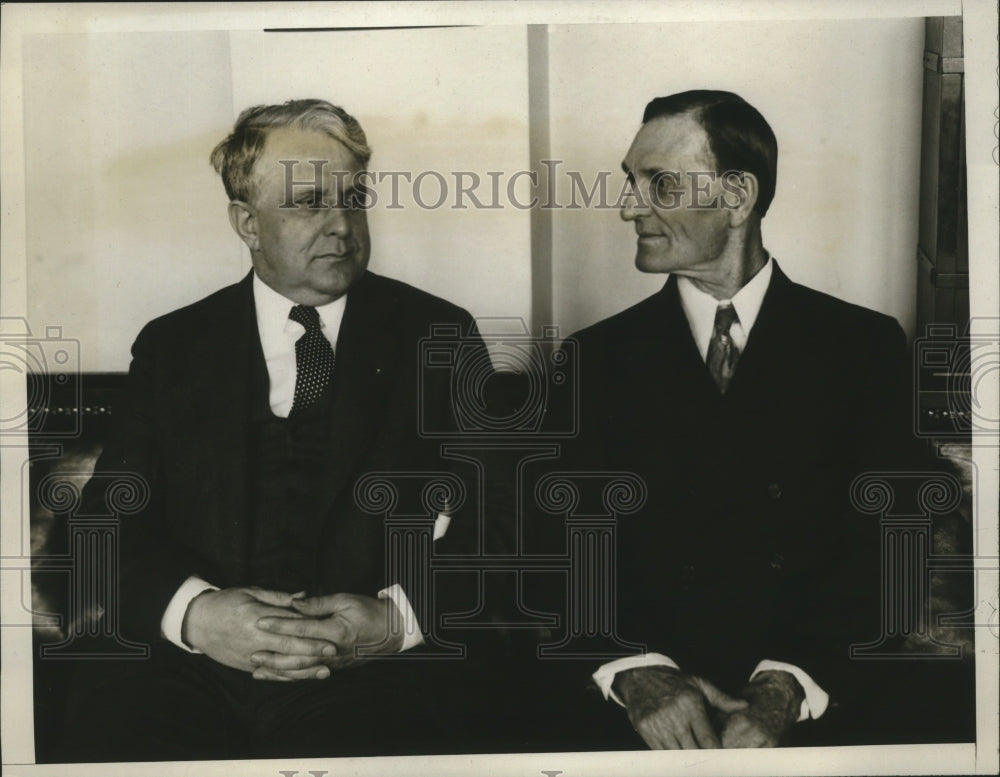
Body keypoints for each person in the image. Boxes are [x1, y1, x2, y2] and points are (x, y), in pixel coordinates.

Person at [61, 99, 490, 761]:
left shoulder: (442, 336)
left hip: (373, 683)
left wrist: (394, 621)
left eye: (353, 197)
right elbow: (104, 525)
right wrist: (196, 615)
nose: (341, 226)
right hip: (185, 678)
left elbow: (501, 527)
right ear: (246, 222)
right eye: (307, 202)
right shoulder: (174, 346)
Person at [533, 89, 960, 750]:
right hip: (637, 713)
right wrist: (637, 673)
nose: (626, 207)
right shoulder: (591, 358)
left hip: (815, 700)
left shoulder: (864, 346)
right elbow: (553, 552)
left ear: (736, 197)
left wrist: (790, 682)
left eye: (660, 184)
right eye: (630, 182)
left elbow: (890, 549)